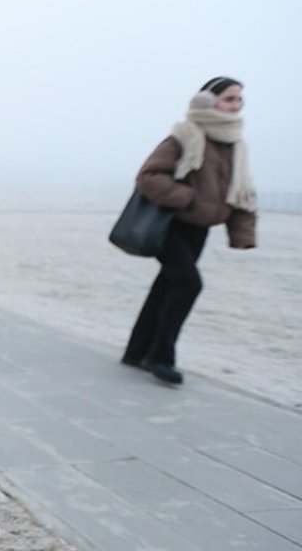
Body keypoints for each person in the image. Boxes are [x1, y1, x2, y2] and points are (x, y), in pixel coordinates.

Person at [122, 77, 257, 385]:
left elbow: (242, 193)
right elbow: (149, 175)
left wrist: (242, 234)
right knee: (188, 283)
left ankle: (135, 352)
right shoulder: (184, 136)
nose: (236, 105)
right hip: (170, 224)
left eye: (239, 100)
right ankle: (160, 357)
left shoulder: (235, 144)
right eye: (229, 98)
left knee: (167, 286)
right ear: (208, 101)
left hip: (199, 230)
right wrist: (187, 199)